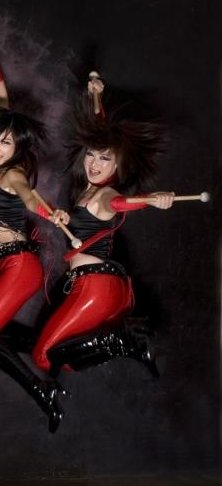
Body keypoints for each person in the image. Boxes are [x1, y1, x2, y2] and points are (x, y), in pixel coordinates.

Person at [37, 76, 174, 378]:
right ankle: (123, 338)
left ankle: (123, 341)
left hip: (96, 286)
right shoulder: (88, 190)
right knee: (51, 357)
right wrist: (96, 98)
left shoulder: (105, 194)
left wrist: (152, 200)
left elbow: (121, 204)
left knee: (45, 358)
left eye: (104, 159)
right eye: (90, 154)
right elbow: (99, 134)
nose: (94, 164)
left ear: (118, 166)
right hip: (90, 283)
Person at [0, 41, 69, 433]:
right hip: (7, 262)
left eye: (5, 142)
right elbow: (2, 101)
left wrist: (49, 212)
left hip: (20, 264)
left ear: (18, 145)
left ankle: (42, 390)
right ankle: (55, 346)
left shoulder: (13, 173)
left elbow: (28, 198)